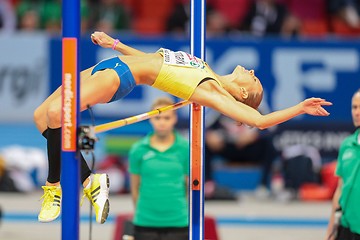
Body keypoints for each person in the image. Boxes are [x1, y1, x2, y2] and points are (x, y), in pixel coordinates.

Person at [33, 30, 331, 224]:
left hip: (118, 76)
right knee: (41, 117)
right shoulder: (205, 67)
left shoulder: (210, 90)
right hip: (111, 63)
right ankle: (89, 181)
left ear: (242, 94)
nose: (251, 71)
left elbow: (260, 121)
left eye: (253, 80)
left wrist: (299, 107)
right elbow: (154, 60)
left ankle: (53, 187)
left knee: (59, 116)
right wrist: (115, 44)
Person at [128, 97, 189, 240]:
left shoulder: (186, 148)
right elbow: (134, 188)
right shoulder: (138, 149)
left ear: (175, 119)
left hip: (178, 221)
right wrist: (143, 212)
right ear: (151, 119)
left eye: (167, 118)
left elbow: (188, 186)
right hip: (145, 222)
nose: (162, 122)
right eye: (158, 118)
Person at [326, 89, 360, 240]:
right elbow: (340, 188)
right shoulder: (347, 145)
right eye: (354, 107)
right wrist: (331, 230)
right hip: (346, 226)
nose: (357, 112)